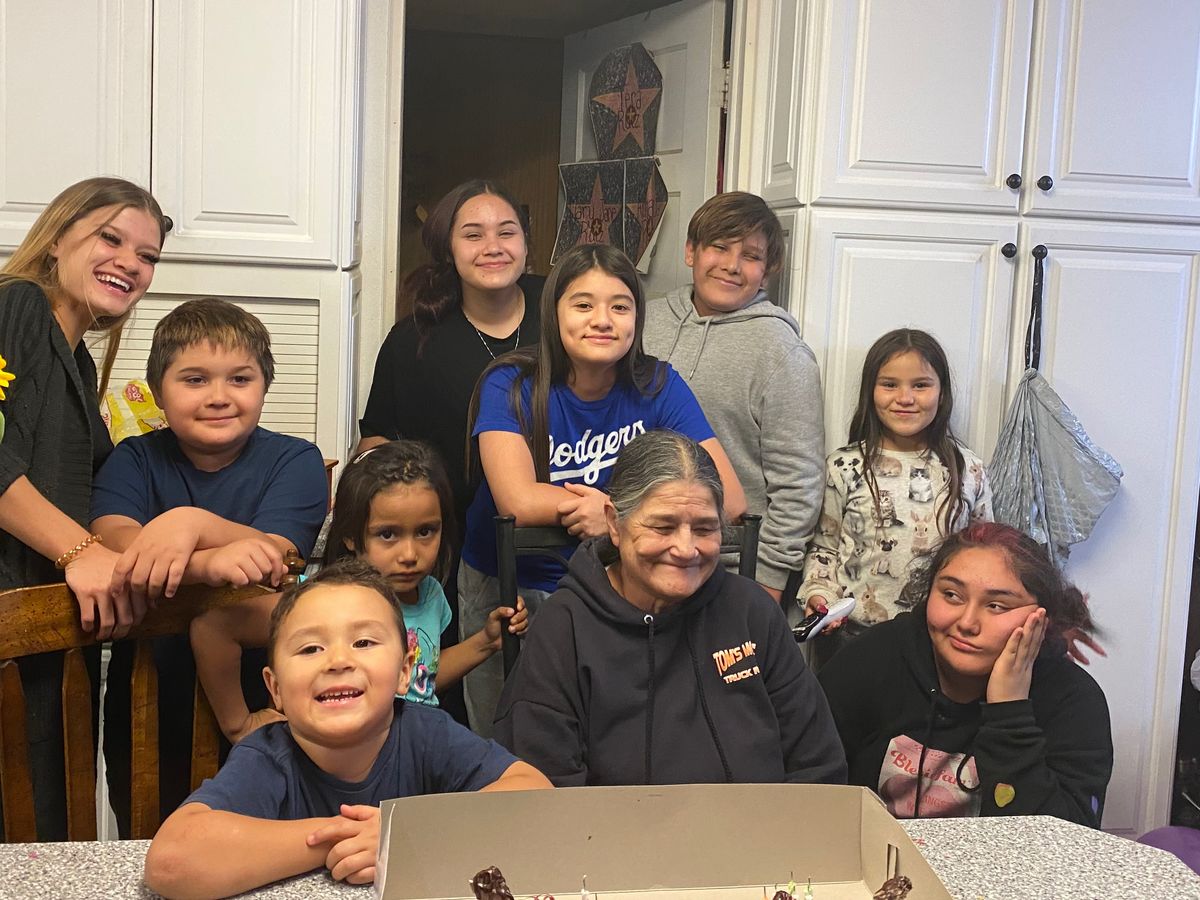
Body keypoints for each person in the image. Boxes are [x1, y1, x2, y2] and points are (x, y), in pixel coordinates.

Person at [460, 244, 746, 735]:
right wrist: (618, 510)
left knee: (607, 734)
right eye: (583, 304)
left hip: (619, 586)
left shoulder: (657, 383)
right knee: (503, 734)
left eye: (620, 306)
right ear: (554, 313)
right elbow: (519, 500)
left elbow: (730, 499)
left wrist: (613, 515)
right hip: (509, 585)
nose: (602, 320)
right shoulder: (510, 382)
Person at [144, 558, 551, 899]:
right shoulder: (267, 756)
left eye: (364, 643)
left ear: (405, 672)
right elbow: (172, 860)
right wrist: (343, 839)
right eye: (310, 648)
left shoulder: (427, 734)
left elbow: (535, 796)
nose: (338, 661)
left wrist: (406, 834)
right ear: (276, 688)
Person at [90, 297, 328, 828]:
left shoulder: (296, 460)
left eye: (240, 379)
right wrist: (209, 563)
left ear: (264, 386)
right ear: (157, 392)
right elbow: (112, 542)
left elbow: (274, 560)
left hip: (267, 704)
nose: (219, 396)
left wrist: (190, 524)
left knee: (269, 842)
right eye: (194, 380)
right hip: (149, 705)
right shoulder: (132, 458)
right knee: (152, 841)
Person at [493, 430, 845, 787]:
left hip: (762, 822)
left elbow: (818, 765)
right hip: (609, 826)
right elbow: (545, 791)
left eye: (704, 528)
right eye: (663, 527)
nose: (686, 549)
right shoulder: (564, 629)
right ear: (614, 523)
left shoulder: (752, 612)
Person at [0, 176, 169, 839]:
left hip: (40, 635)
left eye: (148, 256)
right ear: (58, 236)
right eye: (111, 238)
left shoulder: (75, 359)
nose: (131, 263)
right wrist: (80, 551)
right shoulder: (16, 304)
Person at [190, 439, 527, 743]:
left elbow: (420, 679)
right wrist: (239, 724)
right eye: (388, 535)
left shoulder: (431, 595)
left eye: (425, 531)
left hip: (413, 754)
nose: (410, 554)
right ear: (351, 536)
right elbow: (212, 629)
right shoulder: (317, 601)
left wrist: (485, 642)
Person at [359, 179, 543, 724]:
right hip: (443, 547)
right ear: (448, 248)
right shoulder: (412, 338)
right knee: (460, 704)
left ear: (526, 242)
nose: (493, 247)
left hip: (553, 539)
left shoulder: (562, 313)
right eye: (473, 234)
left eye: (506, 232)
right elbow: (376, 439)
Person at [817, 522, 1112, 825]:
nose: (967, 623)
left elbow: (1065, 842)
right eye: (951, 595)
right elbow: (809, 788)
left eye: (996, 606)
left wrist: (1010, 714)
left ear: (1042, 617)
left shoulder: (1073, 701)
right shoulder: (874, 658)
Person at [642, 192, 824, 604]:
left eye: (751, 256)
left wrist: (766, 583)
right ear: (691, 251)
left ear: (768, 270)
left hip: (726, 568)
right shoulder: (644, 321)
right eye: (720, 247)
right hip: (634, 553)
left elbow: (798, 485)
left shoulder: (782, 352)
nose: (732, 265)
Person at [800, 329, 992, 663]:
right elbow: (824, 548)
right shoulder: (843, 466)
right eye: (890, 384)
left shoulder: (969, 470)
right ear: (870, 391)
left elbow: (986, 556)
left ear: (942, 393)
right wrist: (819, 595)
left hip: (941, 642)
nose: (905, 398)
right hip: (852, 640)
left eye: (921, 385)